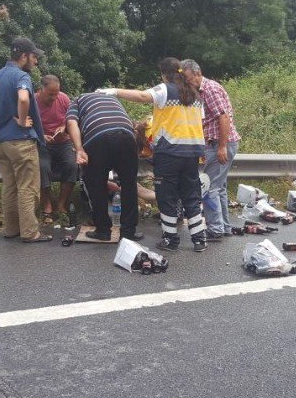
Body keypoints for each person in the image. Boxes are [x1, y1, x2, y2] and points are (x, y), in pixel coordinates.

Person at [99, 58, 207, 252]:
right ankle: (199, 239)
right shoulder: (195, 94)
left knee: (167, 196)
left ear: (164, 74)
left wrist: (115, 91)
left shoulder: (166, 89)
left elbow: (142, 96)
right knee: (191, 195)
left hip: (170, 153)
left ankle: (170, 240)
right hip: (192, 154)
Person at [0, 37, 51, 243]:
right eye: (34, 57)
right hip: (20, 141)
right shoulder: (21, 76)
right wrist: (24, 120)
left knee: (9, 187)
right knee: (28, 187)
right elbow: (24, 98)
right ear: (24, 56)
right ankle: (30, 232)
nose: (36, 61)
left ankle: (11, 229)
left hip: (2, 141)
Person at [66, 89, 144, 241]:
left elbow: (71, 122)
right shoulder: (112, 99)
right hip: (126, 136)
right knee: (129, 185)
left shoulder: (76, 101)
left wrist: (80, 149)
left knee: (96, 185)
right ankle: (128, 232)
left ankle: (103, 230)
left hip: (97, 139)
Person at [180, 59, 240, 240]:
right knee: (219, 187)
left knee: (209, 188)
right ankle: (224, 227)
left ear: (198, 73)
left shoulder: (211, 89)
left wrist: (222, 146)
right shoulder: (200, 91)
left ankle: (215, 229)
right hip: (216, 144)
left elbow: (223, 117)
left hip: (221, 144)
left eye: (189, 79)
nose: (187, 83)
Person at [36, 74, 78, 223]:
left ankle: (61, 204)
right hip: (43, 143)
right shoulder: (33, 101)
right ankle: (47, 206)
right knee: (43, 167)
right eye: (50, 94)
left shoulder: (64, 98)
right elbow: (26, 124)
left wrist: (64, 127)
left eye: (56, 93)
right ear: (41, 90)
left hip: (63, 142)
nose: (54, 97)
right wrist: (40, 135)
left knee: (72, 165)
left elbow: (71, 118)